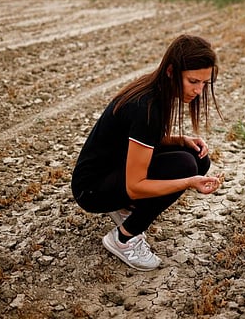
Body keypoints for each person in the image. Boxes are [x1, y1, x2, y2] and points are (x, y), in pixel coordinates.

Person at [71, 34, 222, 271]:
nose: (199, 91)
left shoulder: (156, 89)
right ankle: (123, 238)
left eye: (204, 83)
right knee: (186, 167)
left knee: (196, 158)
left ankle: (125, 208)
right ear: (172, 71)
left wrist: (179, 140)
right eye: (193, 81)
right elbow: (135, 185)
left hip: (113, 169)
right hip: (91, 189)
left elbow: (138, 141)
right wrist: (189, 182)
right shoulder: (147, 107)